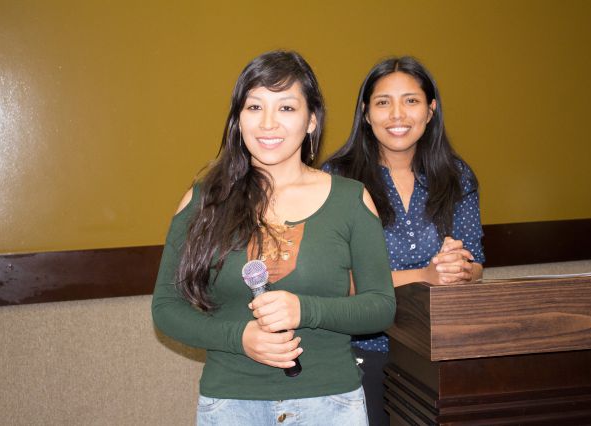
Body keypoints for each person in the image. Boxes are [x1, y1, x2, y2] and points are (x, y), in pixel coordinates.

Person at [151, 50, 396, 426]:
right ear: (238, 119)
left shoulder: (350, 199)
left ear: (311, 120)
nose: (268, 123)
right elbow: (166, 309)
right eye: (254, 107)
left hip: (330, 404)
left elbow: (381, 307)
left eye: (286, 108)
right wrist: (240, 338)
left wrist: (305, 310)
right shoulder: (204, 200)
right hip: (231, 406)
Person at [323, 56, 485, 425]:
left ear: (431, 110)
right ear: (366, 113)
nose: (397, 114)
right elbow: (337, 284)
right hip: (357, 353)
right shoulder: (336, 179)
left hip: (438, 351)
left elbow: (476, 264)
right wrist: (425, 276)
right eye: (383, 102)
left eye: (411, 101)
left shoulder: (457, 175)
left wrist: (458, 269)